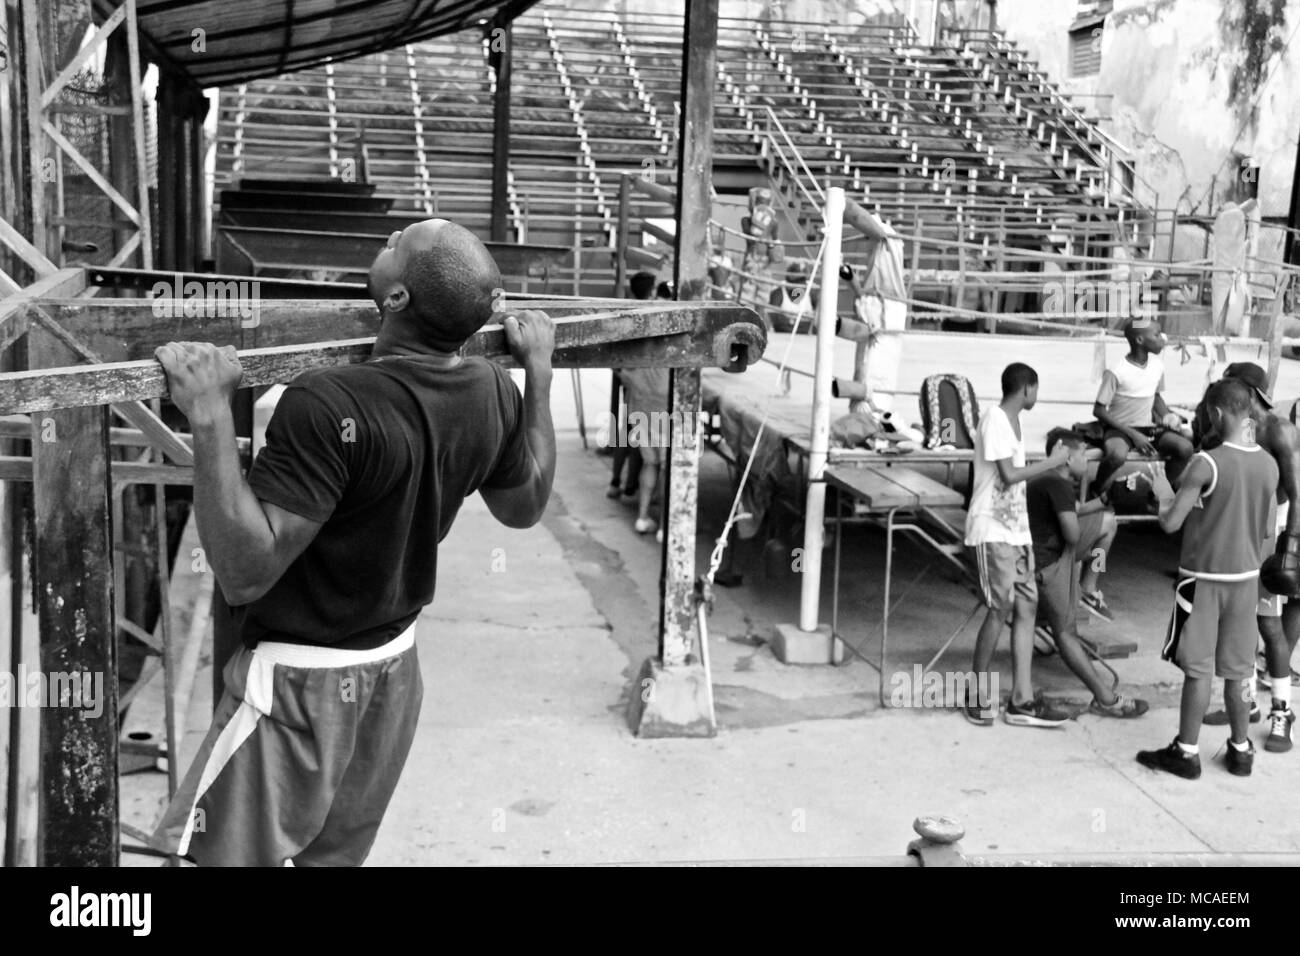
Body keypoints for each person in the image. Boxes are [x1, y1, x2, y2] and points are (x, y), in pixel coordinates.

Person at [149, 219, 557, 864]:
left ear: (396, 301)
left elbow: (245, 570)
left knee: (213, 856)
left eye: (398, 243)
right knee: (330, 860)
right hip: (393, 671)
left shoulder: (325, 401)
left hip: (299, 683)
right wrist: (539, 371)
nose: (389, 235)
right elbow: (526, 507)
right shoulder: (490, 388)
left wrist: (208, 417)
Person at [1138, 378, 1278, 779]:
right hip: (1246, 580)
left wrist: (1164, 489)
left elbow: (1169, 523)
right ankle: (1240, 749)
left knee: (1198, 669)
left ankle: (1186, 752)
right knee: (1240, 669)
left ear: (1217, 414)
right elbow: (1267, 531)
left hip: (1202, 580)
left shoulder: (1206, 462)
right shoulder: (1268, 464)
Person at [964, 362, 1072, 727]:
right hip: (991, 528)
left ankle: (1022, 700)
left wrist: (1025, 537)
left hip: (1014, 531)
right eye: (1036, 390)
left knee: (1027, 606)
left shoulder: (1016, 424)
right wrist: (1052, 463)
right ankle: (975, 693)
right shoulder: (995, 419)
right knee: (999, 608)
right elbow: (1009, 476)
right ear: (1027, 389)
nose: (1036, 397)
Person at [1199, 362, 1300, 753]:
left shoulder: (1279, 429)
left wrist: (1289, 549)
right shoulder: (1234, 430)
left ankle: (1282, 711)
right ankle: (1243, 703)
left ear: (1246, 391)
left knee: (1268, 624)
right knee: (1236, 625)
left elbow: (1296, 492)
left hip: (1277, 531)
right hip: (1246, 533)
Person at [1027, 429, 1148, 717]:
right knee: (1066, 633)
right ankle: (1105, 698)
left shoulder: (1048, 480)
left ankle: (1088, 588)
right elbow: (1071, 532)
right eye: (1083, 453)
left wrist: (1109, 496)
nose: (1087, 459)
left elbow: (1077, 509)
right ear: (1066, 455)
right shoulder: (1056, 484)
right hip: (1049, 564)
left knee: (1108, 522)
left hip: (1049, 557)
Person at [1088, 316, 1194, 494]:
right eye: (1157, 334)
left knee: (1185, 448)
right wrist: (1133, 435)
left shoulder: (1157, 366)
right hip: (1121, 430)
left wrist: (1167, 415)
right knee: (1117, 456)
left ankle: (1158, 493)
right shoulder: (1117, 371)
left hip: (1149, 429)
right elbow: (1098, 410)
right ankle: (1096, 489)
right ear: (1139, 340)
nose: (1163, 339)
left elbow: (1156, 397)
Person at [608, 272, 656, 501]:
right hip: (642, 382)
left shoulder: (629, 311)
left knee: (625, 434)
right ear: (652, 290)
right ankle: (629, 484)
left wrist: (620, 372)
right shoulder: (653, 315)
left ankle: (617, 482)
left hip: (630, 378)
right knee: (638, 437)